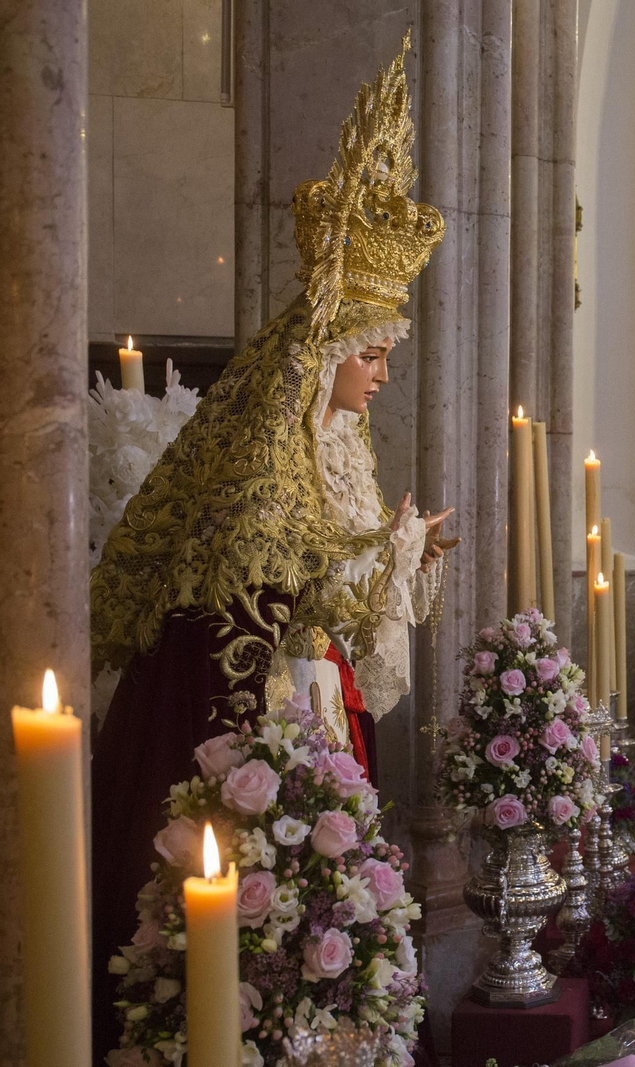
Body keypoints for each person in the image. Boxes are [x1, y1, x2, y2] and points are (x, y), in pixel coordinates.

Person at [90, 40, 449, 1057]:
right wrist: (378, 560)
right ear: (327, 351)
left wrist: (400, 561)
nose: (380, 372)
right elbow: (266, 590)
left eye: (384, 354)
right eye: (370, 354)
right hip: (254, 708)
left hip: (317, 709)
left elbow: (328, 580)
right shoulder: (264, 438)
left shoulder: (342, 444)